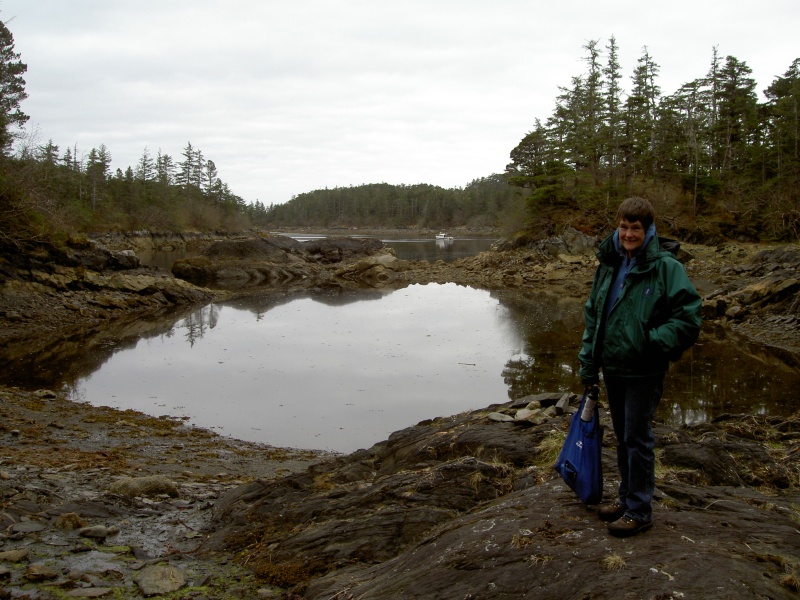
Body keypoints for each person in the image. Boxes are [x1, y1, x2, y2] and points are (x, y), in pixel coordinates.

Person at [578, 197, 701, 537]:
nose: (628, 234)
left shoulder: (666, 267)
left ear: (647, 231)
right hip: (613, 367)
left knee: (638, 438)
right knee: (623, 438)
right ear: (617, 228)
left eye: (635, 228)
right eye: (623, 227)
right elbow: (594, 315)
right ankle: (626, 498)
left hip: (644, 370)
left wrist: (653, 343)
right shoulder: (609, 264)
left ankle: (640, 510)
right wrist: (588, 363)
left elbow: (689, 317)